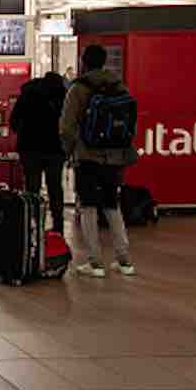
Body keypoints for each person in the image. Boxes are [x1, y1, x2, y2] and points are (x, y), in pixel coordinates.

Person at [60, 45, 138, 278]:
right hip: (115, 156)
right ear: (104, 62)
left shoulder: (79, 88)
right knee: (112, 204)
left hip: (87, 155)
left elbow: (66, 125)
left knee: (88, 206)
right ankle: (124, 260)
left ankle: (95, 262)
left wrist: (69, 151)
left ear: (84, 62)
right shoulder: (119, 86)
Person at [11, 71, 68, 232]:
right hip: (55, 149)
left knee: (32, 187)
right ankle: (58, 225)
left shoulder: (28, 93)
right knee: (55, 187)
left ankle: (33, 223)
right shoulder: (62, 96)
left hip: (30, 148)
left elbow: (14, 121)